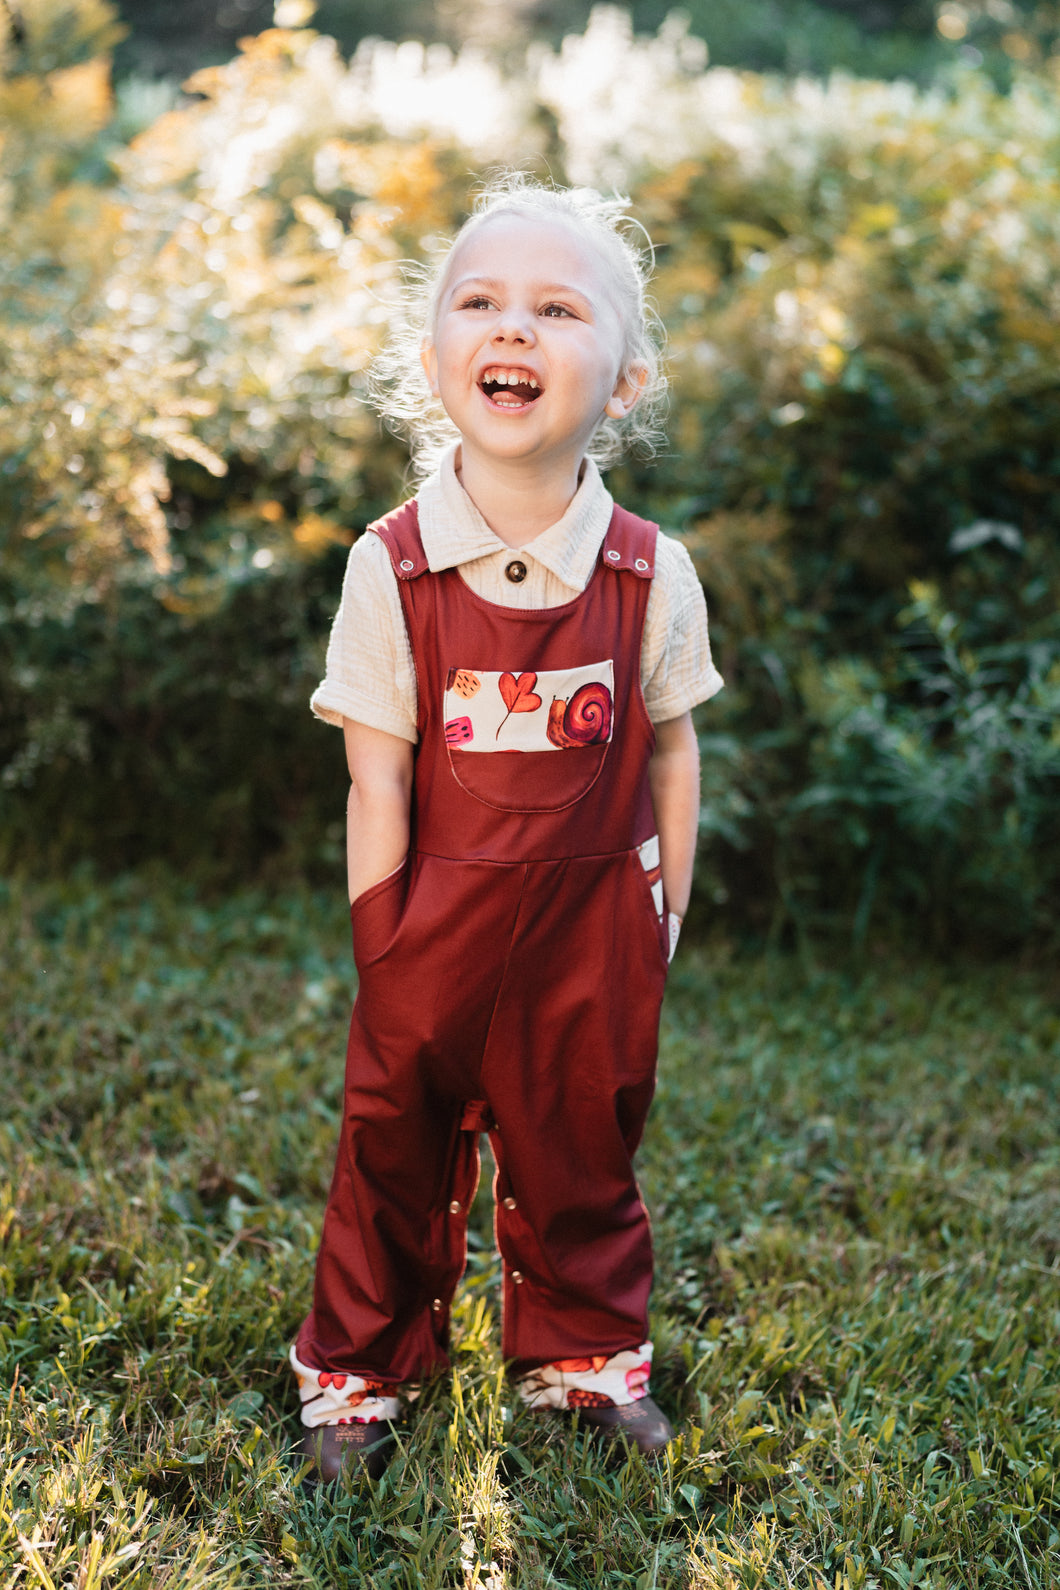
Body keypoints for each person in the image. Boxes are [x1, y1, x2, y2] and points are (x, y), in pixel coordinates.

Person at [289, 174, 723, 1483]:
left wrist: (662, 914)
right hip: (431, 923)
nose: (513, 329)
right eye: (480, 302)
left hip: (593, 934)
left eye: (556, 307)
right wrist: (384, 936)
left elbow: (674, 751)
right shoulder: (395, 563)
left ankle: (586, 1360)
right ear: (437, 361)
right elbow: (379, 774)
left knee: (583, 1143)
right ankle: (359, 1368)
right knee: (391, 1147)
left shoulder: (650, 570)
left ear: (625, 378)